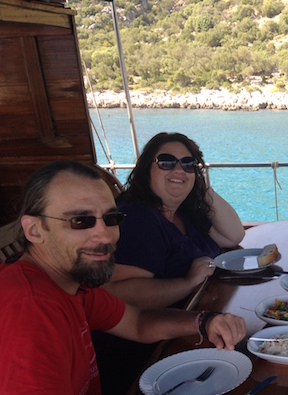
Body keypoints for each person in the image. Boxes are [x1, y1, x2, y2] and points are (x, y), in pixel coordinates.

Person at [0, 160, 246, 394]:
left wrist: (205, 322)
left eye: (111, 219)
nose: (105, 236)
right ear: (34, 230)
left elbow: (136, 322)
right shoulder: (29, 312)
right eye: (80, 220)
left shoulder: (71, 282)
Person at [93, 132, 245, 394]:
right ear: (145, 169)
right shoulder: (139, 218)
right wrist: (187, 282)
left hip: (193, 327)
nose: (178, 169)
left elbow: (234, 235)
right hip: (148, 356)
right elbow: (120, 294)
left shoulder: (181, 212)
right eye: (166, 162)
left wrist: (196, 183)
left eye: (188, 163)